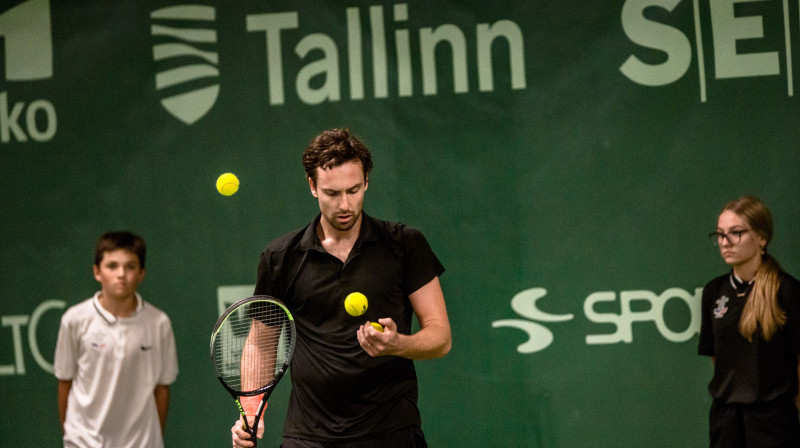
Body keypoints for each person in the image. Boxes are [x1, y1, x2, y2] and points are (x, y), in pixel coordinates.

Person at [232, 128, 452, 448]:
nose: (345, 204)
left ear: (366, 182)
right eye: (332, 193)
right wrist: (251, 412)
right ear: (312, 186)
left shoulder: (405, 245)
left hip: (389, 432)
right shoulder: (280, 257)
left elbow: (440, 337)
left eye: (354, 190)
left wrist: (398, 344)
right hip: (308, 436)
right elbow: (261, 346)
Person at [54, 231, 179, 448]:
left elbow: (162, 389)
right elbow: (65, 383)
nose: (121, 274)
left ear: (142, 273)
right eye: (112, 266)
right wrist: (72, 436)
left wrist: (151, 440)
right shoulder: (74, 320)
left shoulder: (159, 323)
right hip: (83, 442)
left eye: (130, 267)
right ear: (97, 272)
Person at [698, 196, 800, 447]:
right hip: (725, 419)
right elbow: (718, 359)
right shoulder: (713, 291)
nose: (725, 242)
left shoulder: (787, 291)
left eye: (736, 233)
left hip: (774, 420)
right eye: (720, 234)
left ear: (762, 238)